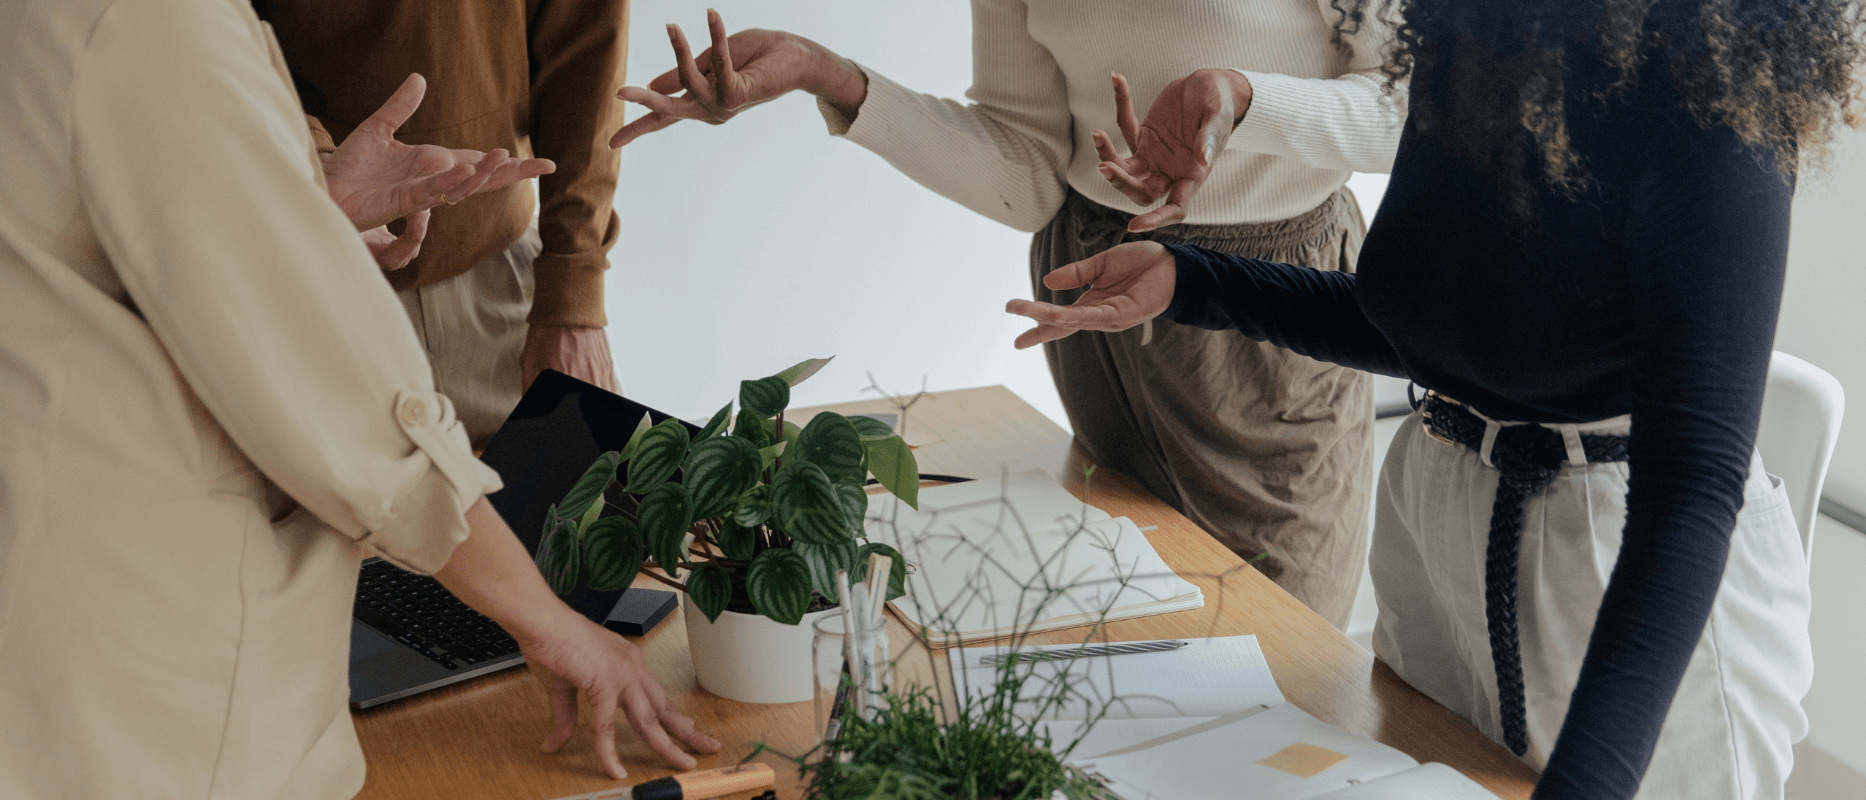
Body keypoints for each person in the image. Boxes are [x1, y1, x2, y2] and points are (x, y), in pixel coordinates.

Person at [1005, 0, 1866, 797]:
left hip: (1616, 566)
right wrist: (1189, 280)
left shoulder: (1713, 109)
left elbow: (1694, 487)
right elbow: (1435, 326)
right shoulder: (1475, 40)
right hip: (1442, 529)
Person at [0, 1, 718, 797]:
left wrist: (296, 181)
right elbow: (363, 413)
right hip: (150, 681)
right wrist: (553, 625)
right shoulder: (143, 24)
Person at [608, 6, 1408, 627]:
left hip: (1271, 295)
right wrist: (834, 78)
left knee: (1284, 646)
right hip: (1096, 287)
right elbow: (1027, 164)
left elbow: (1412, 104)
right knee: (1134, 629)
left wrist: (1246, 99)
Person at [252, 0, 634, 446]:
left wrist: (573, 292)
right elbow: (195, 36)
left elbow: (587, 38)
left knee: (597, 506)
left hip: (508, 290)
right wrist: (313, 163)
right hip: (307, 281)